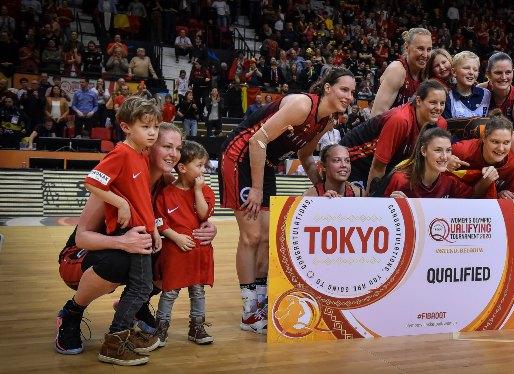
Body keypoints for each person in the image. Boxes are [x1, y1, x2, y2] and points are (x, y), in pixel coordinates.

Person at [54, 120, 217, 358]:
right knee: (119, 262)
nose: (174, 154)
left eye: (178, 148)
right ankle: (71, 314)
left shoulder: (168, 183)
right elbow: (82, 238)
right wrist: (122, 242)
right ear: (150, 146)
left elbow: (192, 216)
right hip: (82, 256)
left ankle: (133, 306)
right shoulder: (120, 178)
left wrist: (209, 227)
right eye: (167, 147)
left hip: (130, 248)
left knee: (173, 255)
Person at [219, 68, 356, 333]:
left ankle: (259, 305)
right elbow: (257, 141)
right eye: (344, 89)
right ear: (328, 88)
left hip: (266, 163)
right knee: (251, 236)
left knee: (268, 237)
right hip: (240, 156)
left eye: (352, 92)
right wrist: (257, 188)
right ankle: (248, 313)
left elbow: (305, 156)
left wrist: (321, 187)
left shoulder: (328, 120)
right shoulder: (302, 104)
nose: (349, 96)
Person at [82, 97, 163, 365]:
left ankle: (121, 337)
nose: (152, 132)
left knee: (142, 287)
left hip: (143, 232)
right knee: (141, 288)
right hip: (131, 234)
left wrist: (154, 230)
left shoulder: (140, 154)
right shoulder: (120, 153)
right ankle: (114, 343)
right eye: (145, 126)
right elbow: (92, 181)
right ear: (126, 127)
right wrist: (120, 203)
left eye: (155, 126)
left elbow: (143, 200)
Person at [153, 141, 215, 346]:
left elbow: (204, 214)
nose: (203, 170)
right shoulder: (165, 193)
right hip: (175, 252)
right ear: (182, 168)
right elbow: (159, 221)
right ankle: (160, 330)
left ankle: (196, 327)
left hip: (199, 252)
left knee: (198, 291)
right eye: (199, 165)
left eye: (204, 165)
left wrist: (198, 191)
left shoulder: (204, 191)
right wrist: (175, 237)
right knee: (170, 292)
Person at [340, 79, 448, 191]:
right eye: (433, 102)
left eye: (442, 103)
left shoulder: (441, 123)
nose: (439, 108)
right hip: (355, 160)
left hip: (389, 165)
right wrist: (372, 200)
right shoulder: (400, 120)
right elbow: (378, 167)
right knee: (359, 197)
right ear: (419, 101)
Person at [385, 127, 474, 198]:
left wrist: (486, 178)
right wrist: (397, 206)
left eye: (448, 150)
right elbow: (381, 214)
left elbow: (475, 197)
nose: (444, 156)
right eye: (438, 150)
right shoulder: (401, 180)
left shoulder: (449, 180)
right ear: (423, 151)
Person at [450, 110, 514, 198]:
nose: (501, 148)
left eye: (506, 142)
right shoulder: (461, 150)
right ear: (484, 138)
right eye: (495, 142)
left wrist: (502, 194)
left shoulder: (512, 165)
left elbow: (509, 193)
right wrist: (445, 163)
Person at [370, 28, 432, 117]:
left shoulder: (424, 73)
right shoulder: (397, 70)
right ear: (407, 47)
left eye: (429, 49)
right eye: (420, 49)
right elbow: (377, 115)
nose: (425, 55)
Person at [479, 52, 514, 130]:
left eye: (508, 72)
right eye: (498, 73)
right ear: (488, 74)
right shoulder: (479, 91)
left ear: (513, 72)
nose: (504, 77)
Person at [443, 51, 491, 120]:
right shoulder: (448, 98)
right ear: (454, 72)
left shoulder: (486, 94)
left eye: (475, 70)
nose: (471, 72)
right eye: (466, 68)